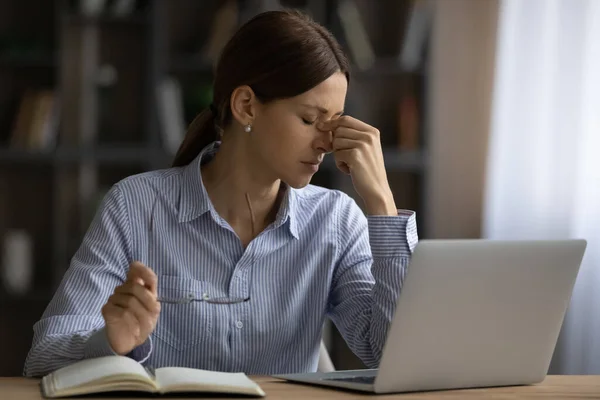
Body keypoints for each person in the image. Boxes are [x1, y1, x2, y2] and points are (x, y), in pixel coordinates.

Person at [24, 9, 418, 377]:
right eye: (310, 119)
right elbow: (42, 358)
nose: (326, 143)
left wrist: (381, 202)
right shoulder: (135, 207)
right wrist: (111, 342)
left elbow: (392, 356)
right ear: (246, 105)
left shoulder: (335, 220)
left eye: (333, 125)